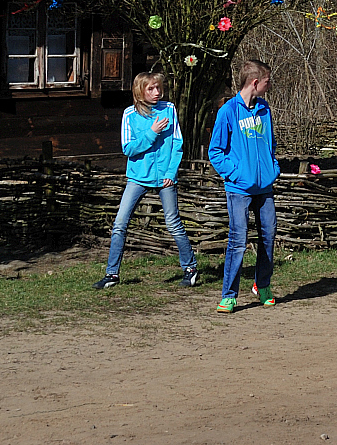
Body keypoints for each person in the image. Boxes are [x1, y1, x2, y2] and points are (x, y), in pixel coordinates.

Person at [94, 72, 198, 291]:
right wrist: (151, 133)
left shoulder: (169, 109)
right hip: (138, 177)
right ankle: (111, 274)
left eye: (158, 88)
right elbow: (128, 148)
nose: (156, 93)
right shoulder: (129, 115)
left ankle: (190, 268)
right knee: (120, 224)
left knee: (173, 223)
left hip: (165, 179)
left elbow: (177, 144)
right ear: (139, 90)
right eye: (151, 89)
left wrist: (171, 173)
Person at [208, 59, 281, 313]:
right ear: (255, 82)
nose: (269, 85)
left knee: (269, 236)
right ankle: (229, 294)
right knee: (238, 240)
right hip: (239, 189)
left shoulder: (264, 109)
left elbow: (270, 144)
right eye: (267, 81)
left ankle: (263, 285)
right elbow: (215, 152)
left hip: (264, 188)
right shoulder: (227, 111)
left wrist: (272, 168)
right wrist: (236, 173)